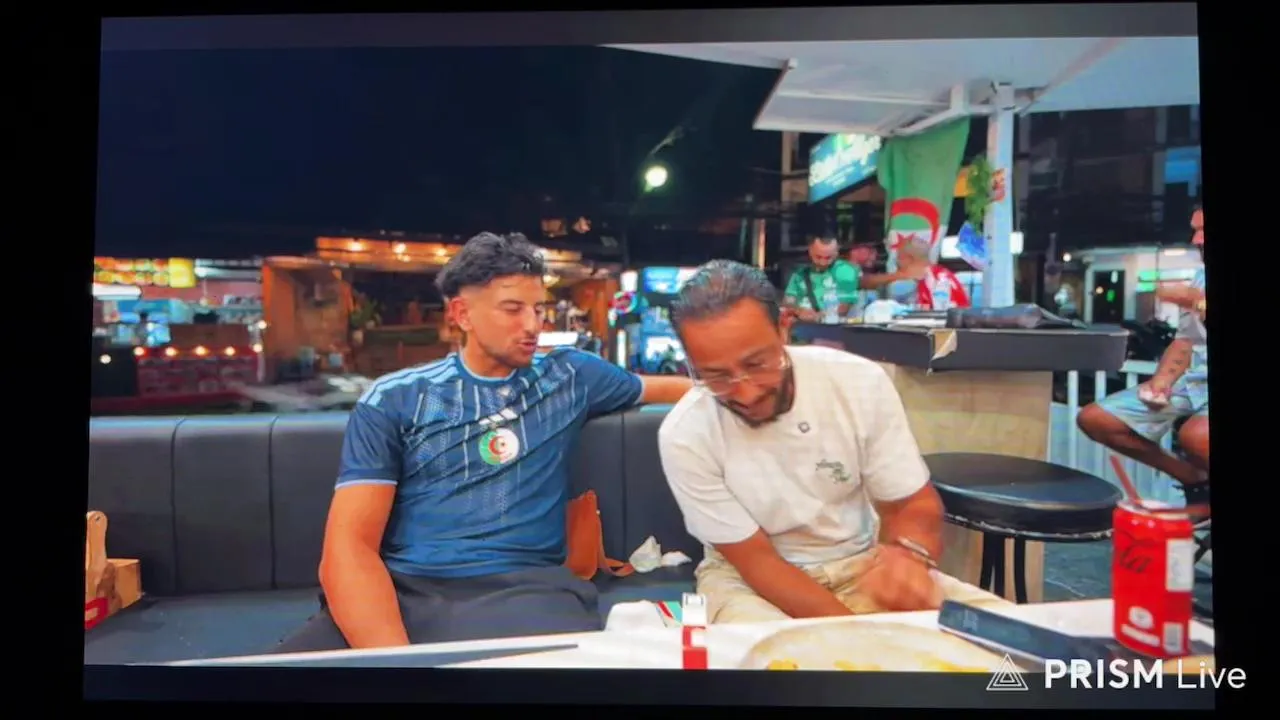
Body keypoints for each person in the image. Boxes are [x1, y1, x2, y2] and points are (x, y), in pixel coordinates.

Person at [275, 232, 693, 652]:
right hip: (407, 587)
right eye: (513, 309)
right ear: (462, 314)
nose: (533, 325)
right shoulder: (396, 398)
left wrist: (729, 385)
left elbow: (676, 389)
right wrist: (396, 663)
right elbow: (349, 547)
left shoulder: (570, 376)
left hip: (526, 588)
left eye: (538, 309)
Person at [657, 260, 1005, 623]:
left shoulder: (857, 382)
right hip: (746, 583)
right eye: (716, 377)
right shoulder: (686, 435)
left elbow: (912, 504)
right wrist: (854, 632)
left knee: (1006, 638)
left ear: (784, 328)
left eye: (757, 364)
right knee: (786, 654)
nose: (745, 393)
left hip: (861, 565)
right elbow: (758, 563)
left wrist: (908, 555)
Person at [1077, 207, 1208, 513]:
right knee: (1096, 419)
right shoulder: (1201, 276)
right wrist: (1162, 380)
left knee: (1196, 436)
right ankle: (1196, 482)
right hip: (1196, 380)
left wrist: (1197, 301)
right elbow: (1187, 340)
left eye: (1204, 231)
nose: (1196, 240)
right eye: (1195, 230)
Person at [783, 236, 920, 321]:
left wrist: (819, 316)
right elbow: (788, 302)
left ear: (836, 253)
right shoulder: (800, 275)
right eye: (818, 257)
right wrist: (799, 311)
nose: (823, 262)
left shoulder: (846, 271)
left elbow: (844, 307)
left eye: (828, 257)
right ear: (810, 252)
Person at [895, 237, 971, 311]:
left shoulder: (940, 281)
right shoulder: (924, 279)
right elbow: (926, 308)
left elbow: (944, 313)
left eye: (899, 258)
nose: (897, 262)